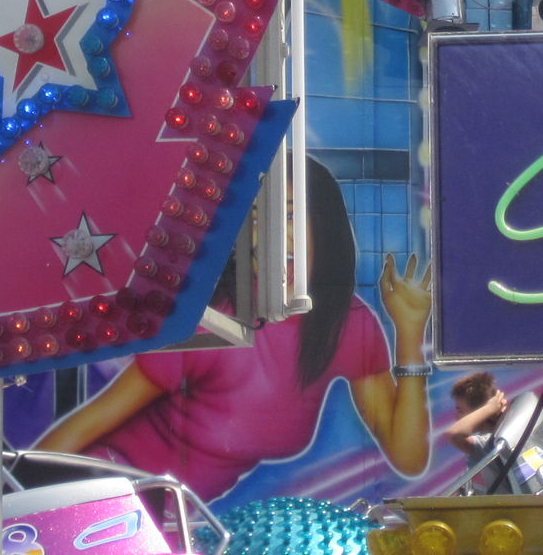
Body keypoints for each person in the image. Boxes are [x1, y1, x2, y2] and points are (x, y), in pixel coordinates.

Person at [34, 159, 434, 501]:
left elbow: (408, 458)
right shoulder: (214, 320)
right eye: (256, 219)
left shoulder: (345, 323)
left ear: (324, 225)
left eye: (290, 215)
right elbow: (90, 424)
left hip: (169, 516)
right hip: (105, 495)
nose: (274, 236)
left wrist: (410, 333)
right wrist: (17, 506)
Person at [444, 371, 509, 457]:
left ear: (479, 411)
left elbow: (452, 435)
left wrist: (489, 408)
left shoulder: (488, 443)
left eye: (460, 411)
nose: (456, 417)